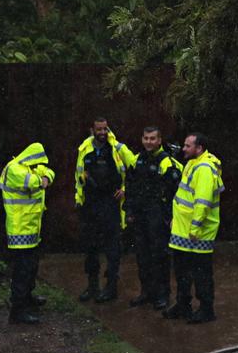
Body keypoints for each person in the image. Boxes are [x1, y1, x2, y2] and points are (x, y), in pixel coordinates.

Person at [164, 132, 224, 323]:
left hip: (197, 233)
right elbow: (184, 196)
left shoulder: (205, 169)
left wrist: (196, 228)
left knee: (201, 273)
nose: (183, 149)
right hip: (183, 231)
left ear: (199, 148)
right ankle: (183, 305)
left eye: (187, 146)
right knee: (182, 272)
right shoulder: (192, 164)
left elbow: (202, 202)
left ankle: (206, 310)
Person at [75, 116, 134, 303]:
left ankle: (111, 288)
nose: (102, 133)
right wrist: (80, 196)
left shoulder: (117, 148)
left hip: (110, 203)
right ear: (91, 129)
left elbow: (134, 168)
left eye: (105, 129)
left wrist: (125, 190)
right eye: (99, 129)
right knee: (91, 247)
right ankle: (92, 287)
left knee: (112, 248)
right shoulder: (85, 149)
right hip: (91, 204)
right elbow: (77, 175)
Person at [124, 126, 183, 310]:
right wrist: (129, 211)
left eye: (153, 139)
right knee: (142, 255)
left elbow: (174, 190)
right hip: (140, 215)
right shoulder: (138, 159)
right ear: (142, 139)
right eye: (146, 138)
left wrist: (169, 216)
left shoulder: (166, 161)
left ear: (159, 140)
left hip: (157, 215)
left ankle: (163, 295)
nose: (149, 142)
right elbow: (130, 186)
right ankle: (146, 292)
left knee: (160, 256)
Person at [0, 142, 55, 325]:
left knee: (30, 268)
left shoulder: (29, 167)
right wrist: (42, 178)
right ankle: (17, 311)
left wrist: (45, 176)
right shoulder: (14, 169)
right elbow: (34, 182)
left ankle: (27, 299)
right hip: (19, 229)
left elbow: (50, 173)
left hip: (31, 228)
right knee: (22, 271)